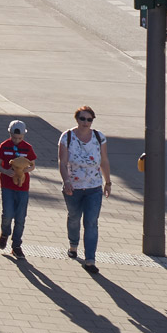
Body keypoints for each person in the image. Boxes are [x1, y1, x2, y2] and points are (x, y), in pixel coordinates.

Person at [59, 105, 107, 271]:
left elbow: (104, 161)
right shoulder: (67, 137)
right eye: (82, 119)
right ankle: (73, 244)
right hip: (73, 187)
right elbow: (63, 162)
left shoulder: (99, 137)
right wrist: (66, 181)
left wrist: (108, 182)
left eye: (89, 119)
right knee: (74, 217)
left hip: (94, 187)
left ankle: (90, 260)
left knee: (91, 222)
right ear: (77, 119)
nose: (86, 122)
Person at [0, 119, 36, 257]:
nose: (17, 140)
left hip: (22, 188)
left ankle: (16, 244)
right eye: (14, 137)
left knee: (20, 217)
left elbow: (32, 165)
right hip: (7, 186)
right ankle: (5, 233)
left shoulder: (27, 148)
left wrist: (25, 171)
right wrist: (6, 171)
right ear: (10, 134)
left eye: (19, 138)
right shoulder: (4, 146)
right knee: (7, 213)